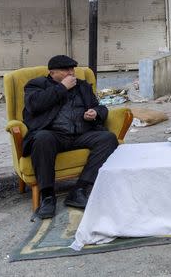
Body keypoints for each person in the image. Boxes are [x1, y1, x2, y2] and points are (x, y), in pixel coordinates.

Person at [23, 55, 118, 219]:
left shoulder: (82, 86)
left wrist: (95, 113)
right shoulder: (36, 85)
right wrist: (61, 88)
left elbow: (99, 107)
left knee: (108, 138)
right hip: (54, 135)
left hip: (81, 134)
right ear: (52, 73)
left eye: (72, 69)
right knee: (42, 138)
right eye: (65, 70)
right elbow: (34, 105)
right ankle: (47, 196)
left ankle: (79, 189)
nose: (71, 73)